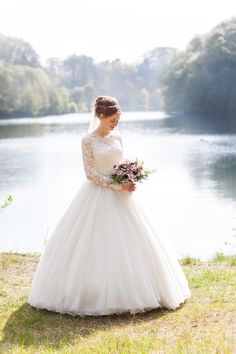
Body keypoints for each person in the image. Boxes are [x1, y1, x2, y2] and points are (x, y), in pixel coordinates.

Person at [27, 95, 191, 317]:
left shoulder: (119, 138)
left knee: (134, 243)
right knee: (94, 243)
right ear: (101, 116)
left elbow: (120, 164)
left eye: (118, 120)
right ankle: (91, 294)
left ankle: (142, 290)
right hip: (97, 195)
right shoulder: (88, 140)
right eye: (113, 119)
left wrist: (129, 176)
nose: (116, 124)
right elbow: (90, 173)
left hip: (124, 197)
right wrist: (116, 186)